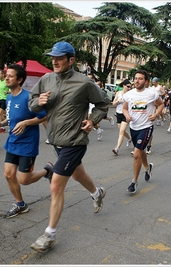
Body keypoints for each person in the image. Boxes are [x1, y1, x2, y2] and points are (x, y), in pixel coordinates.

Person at [28, 41, 109, 252]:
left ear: (71, 60)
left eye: (59, 58)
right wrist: (40, 102)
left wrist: (92, 120)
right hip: (56, 139)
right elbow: (32, 102)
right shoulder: (46, 79)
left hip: (75, 140)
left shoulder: (84, 82)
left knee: (56, 185)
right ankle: (97, 192)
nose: (54, 61)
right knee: (77, 174)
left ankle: (49, 235)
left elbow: (103, 103)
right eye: (52, 57)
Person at [0, 64, 53, 218]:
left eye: (10, 76)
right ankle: (20, 204)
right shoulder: (10, 97)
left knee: (24, 180)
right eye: (7, 75)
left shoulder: (29, 97)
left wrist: (26, 123)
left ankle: (48, 170)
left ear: (19, 80)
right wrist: (1, 123)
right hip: (13, 141)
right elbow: (13, 119)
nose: (6, 78)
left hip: (27, 144)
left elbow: (43, 116)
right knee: (8, 174)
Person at [122, 70, 164, 193]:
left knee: (136, 154)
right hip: (134, 127)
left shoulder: (151, 94)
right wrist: (127, 115)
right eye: (135, 78)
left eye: (140, 78)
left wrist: (155, 114)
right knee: (140, 152)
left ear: (146, 81)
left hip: (146, 126)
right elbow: (125, 108)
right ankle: (147, 168)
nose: (136, 80)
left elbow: (160, 105)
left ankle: (134, 182)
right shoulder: (129, 94)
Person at [111, 79, 132, 155]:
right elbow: (113, 104)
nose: (129, 88)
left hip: (126, 113)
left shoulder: (130, 94)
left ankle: (117, 148)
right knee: (121, 130)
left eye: (130, 87)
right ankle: (129, 139)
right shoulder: (118, 93)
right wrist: (118, 101)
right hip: (118, 113)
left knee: (121, 131)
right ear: (124, 86)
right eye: (128, 86)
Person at [0, 69, 9, 134]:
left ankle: (2, 128)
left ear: (3, 74)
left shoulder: (6, 80)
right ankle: (8, 118)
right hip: (0, 98)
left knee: (0, 113)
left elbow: (11, 89)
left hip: (5, 98)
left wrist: (7, 92)